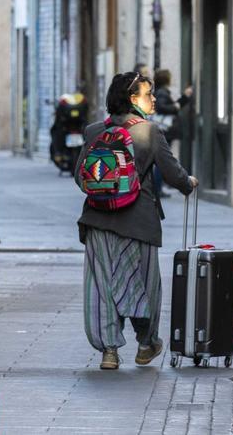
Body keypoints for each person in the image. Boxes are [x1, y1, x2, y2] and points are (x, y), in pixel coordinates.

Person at [75, 71, 198, 370]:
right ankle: (146, 343)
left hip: (97, 222)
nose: (154, 99)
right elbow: (173, 173)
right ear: (132, 99)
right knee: (143, 285)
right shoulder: (149, 132)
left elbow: (80, 175)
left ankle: (109, 353)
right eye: (148, 94)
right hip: (138, 223)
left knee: (102, 286)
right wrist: (188, 183)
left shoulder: (94, 131)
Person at [151, 69, 192, 198]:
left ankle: (158, 187)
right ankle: (157, 188)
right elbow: (162, 107)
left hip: (165, 130)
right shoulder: (162, 92)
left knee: (161, 160)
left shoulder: (161, 91)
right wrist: (175, 106)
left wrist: (184, 98)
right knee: (162, 160)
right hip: (165, 129)